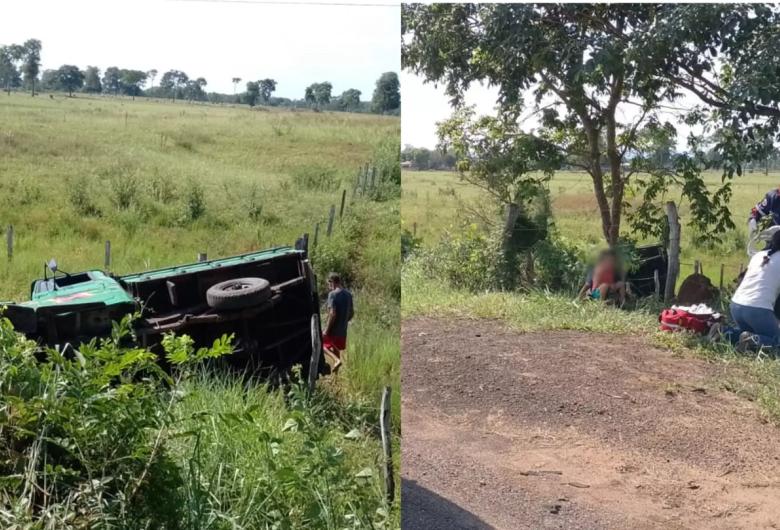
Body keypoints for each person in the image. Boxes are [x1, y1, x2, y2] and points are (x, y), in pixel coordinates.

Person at [709, 230, 780, 352]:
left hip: (737, 305)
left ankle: (723, 332)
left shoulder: (759, 255)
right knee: (777, 343)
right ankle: (751, 341)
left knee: (748, 332)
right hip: (758, 310)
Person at [322, 272, 354, 373]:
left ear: (332, 282)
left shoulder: (332, 294)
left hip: (333, 330)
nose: (329, 286)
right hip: (342, 330)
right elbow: (352, 312)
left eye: (329, 284)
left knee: (321, 346)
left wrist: (326, 331)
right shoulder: (348, 294)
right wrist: (344, 321)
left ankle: (336, 360)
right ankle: (336, 376)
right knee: (336, 350)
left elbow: (332, 314)